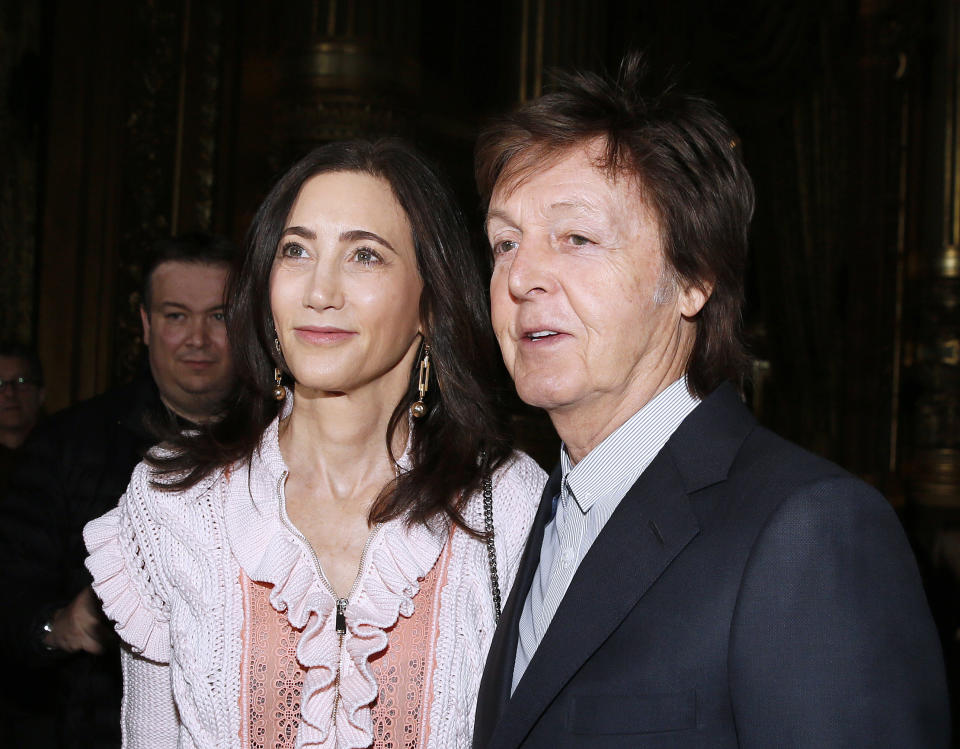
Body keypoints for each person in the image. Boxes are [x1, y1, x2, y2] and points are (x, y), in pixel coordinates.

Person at [471, 56, 949, 748]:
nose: (521, 276)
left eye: (576, 237)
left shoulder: (808, 531)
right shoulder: (525, 519)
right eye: (504, 242)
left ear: (695, 276)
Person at [83, 139, 547, 749]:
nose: (319, 290)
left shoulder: (506, 502)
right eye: (296, 251)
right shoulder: (174, 502)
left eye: (365, 256)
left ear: (429, 303)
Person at [0, 233, 237, 748]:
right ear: (147, 325)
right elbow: (11, 602)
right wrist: (62, 625)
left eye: (218, 317)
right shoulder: (66, 446)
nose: (198, 338)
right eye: (177, 316)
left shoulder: (288, 447)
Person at [0, 341, 45, 491]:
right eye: (0, 384)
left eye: (21, 381)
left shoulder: (60, 458)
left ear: (40, 394)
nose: (10, 393)